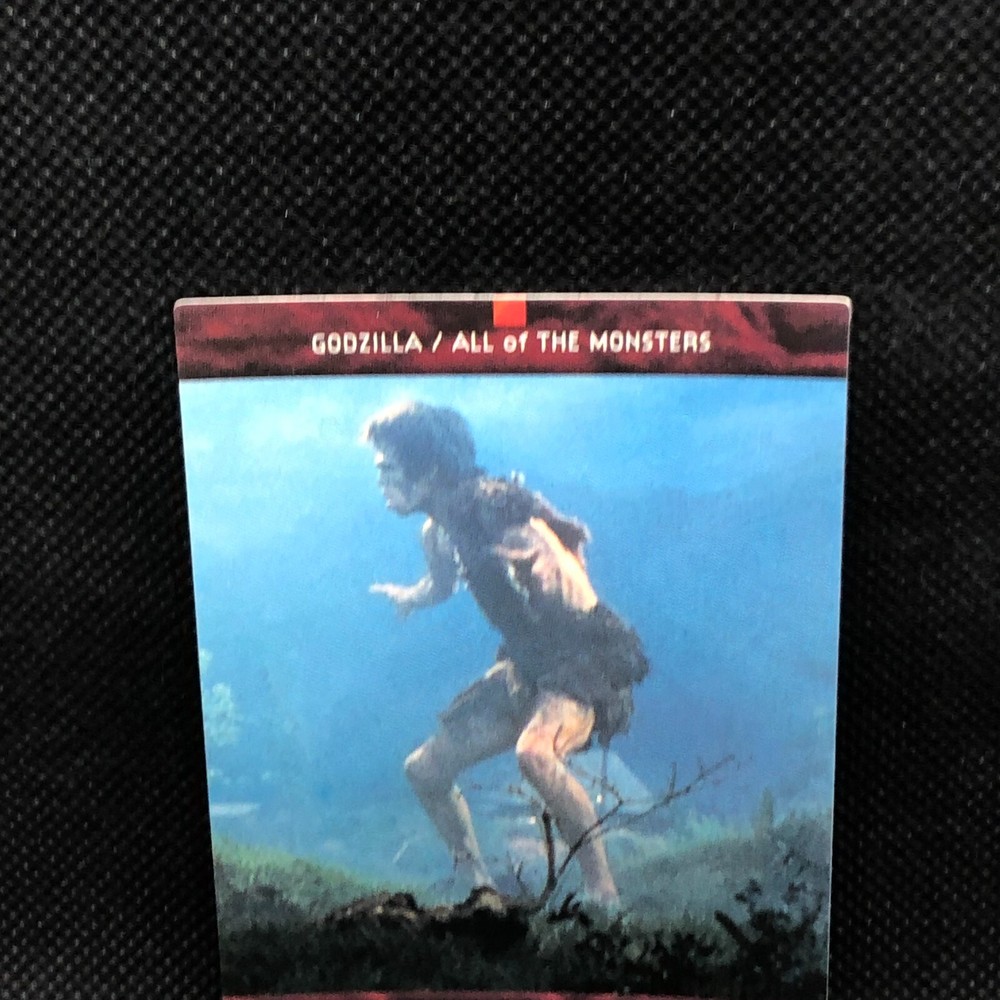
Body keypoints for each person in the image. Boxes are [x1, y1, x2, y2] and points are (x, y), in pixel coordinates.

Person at [363, 400, 648, 905]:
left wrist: (541, 581)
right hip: (528, 664)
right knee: (424, 771)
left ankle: (605, 898)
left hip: (586, 659)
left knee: (535, 755)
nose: (381, 477)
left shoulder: (491, 507)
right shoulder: (439, 531)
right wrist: (410, 597)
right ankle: (481, 891)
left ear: (429, 469)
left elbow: (562, 571)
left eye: (390, 466)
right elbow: (441, 583)